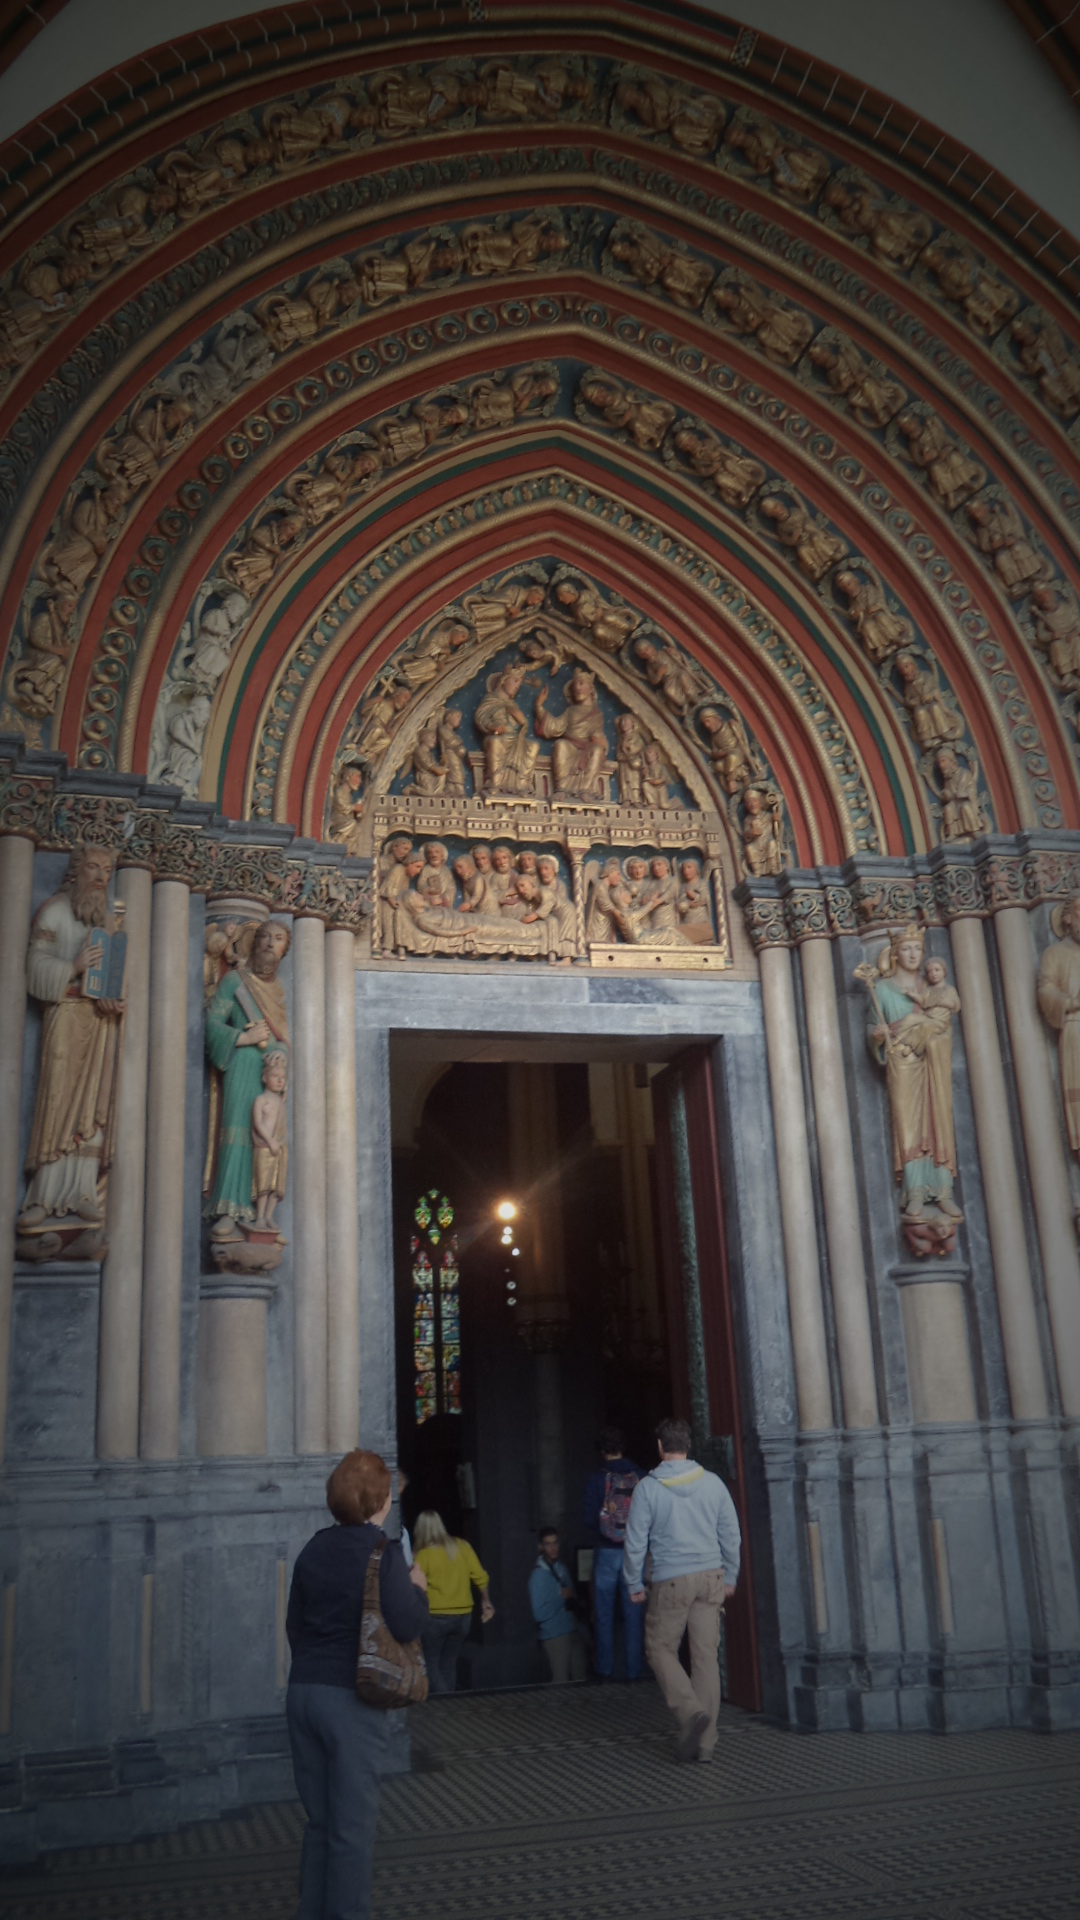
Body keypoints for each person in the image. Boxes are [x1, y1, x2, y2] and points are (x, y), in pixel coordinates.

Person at [286, 1449, 429, 1920]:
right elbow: (407, 1624)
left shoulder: (313, 1548)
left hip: (304, 1692)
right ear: (382, 1501)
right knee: (352, 1829)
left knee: (320, 1822)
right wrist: (418, 1588)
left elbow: (294, 1625)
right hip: (352, 1699)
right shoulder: (382, 1553)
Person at [623, 1416, 741, 1764]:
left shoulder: (647, 1488)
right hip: (711, 1578)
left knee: (659, 1648)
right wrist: (731, 1575)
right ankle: (705, 1745)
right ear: (689, 1446)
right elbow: (731, 1535)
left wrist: (633, 1582)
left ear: (660, 1447)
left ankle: (691, 1714)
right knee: (705, 1657)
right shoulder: (714, 1484)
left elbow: (635, 1542)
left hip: (671, 1580)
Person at [583, 1427, 643, 1682]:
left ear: (601, 1449)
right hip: (634, 1552)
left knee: (603, 1613)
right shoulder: (640, 1476)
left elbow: (589, 1519)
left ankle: (604, 1668)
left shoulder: (597, 1478)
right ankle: (634, 1670)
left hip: (606, 1551)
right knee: (634, 1614)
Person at [413, 1510, 494, 1694]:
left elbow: (415, 1587)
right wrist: (486, 1601)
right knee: (449, 1662)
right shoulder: (462, 1546)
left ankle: (444, 1699)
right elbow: (480, 1576)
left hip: (435, 1616)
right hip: (463, 1616)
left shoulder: (423, 1555)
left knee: (430, 1663)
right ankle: (450, 1702)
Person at [528, 1527, 588, 1683]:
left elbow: (572, 1598)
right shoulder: (538, 1577)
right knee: (560, 1681)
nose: (553, 1547)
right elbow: (539, 1614)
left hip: (572, 1630)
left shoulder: (561, 1568)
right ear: (541, 1547)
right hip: (554, 1637)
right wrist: (560, 1597)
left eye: (555, 1543)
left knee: (580, 1678)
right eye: (548, 1544)